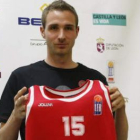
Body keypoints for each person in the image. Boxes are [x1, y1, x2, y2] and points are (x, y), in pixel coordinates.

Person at [0, 0, 128, 140]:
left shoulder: (96, 81)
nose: (61, 36)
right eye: (54, 28)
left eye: (68, 28)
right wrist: (15, 117)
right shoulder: (21, 78)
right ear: (43, 31)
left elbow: (117, 138)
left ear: (76, 32)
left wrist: (120, 111)